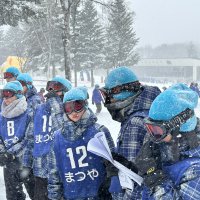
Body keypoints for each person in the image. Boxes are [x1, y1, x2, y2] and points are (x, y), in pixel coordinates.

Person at [100, 66, 161, 199]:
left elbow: (132, 180)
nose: (108, 100)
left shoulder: (135, 123)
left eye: (108, 94)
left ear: (120, 92)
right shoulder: (150, 112)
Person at [47, 86, 115, 200]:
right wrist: (54, 196)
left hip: (99, 195)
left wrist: (111, 190)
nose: (74, 112)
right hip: (72, 195)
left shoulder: (100, 131)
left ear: (85, 105)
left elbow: (113, 165)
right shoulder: (57, 138)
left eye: (78, 106)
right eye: (68, 108)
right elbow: (54, 173)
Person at [135, 83, 200, 199]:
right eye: (150, 129)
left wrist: (155, 181)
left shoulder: (195, 170)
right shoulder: (170, 152)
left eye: (157, 130)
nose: (153, 137)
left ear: (179, 129)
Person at [30, 76, 72, 200]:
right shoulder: (39, 109)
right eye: (50, 87)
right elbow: (30, 137)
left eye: (57, 88)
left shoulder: (72, 110)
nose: (51, 91)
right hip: (40, 170)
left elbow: (64, 131)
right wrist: (27, 164)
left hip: (62, 171)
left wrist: (55, 105)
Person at [0, 81, 34, 200]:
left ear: (18, 95)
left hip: (27, 162)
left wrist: (12, 153)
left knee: (36, 195)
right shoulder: (2, 115)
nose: (6, 98)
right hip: (9, 164)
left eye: (9, 94)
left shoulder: (29, 113)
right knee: (13, 196)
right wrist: (2, 152)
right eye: (3, 94)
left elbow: (29, 138)